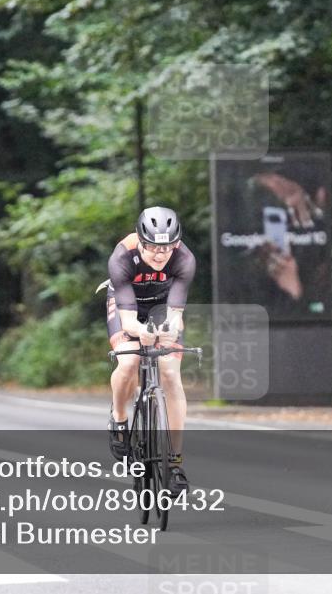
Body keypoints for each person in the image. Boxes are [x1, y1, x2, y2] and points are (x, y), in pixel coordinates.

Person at [105, 206, 195, 493]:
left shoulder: (184, 259)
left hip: (162, 305)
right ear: (141, 241)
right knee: (129, 361)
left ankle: (175, 462)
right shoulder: (122, 256)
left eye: (166, 248)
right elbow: (129, 320)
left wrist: (169, 331)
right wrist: (141, 332)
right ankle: (119, 419)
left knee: (170, 373)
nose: (160, 255)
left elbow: (176, 314)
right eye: (153, 247)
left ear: (176, 244)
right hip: (127, 305)